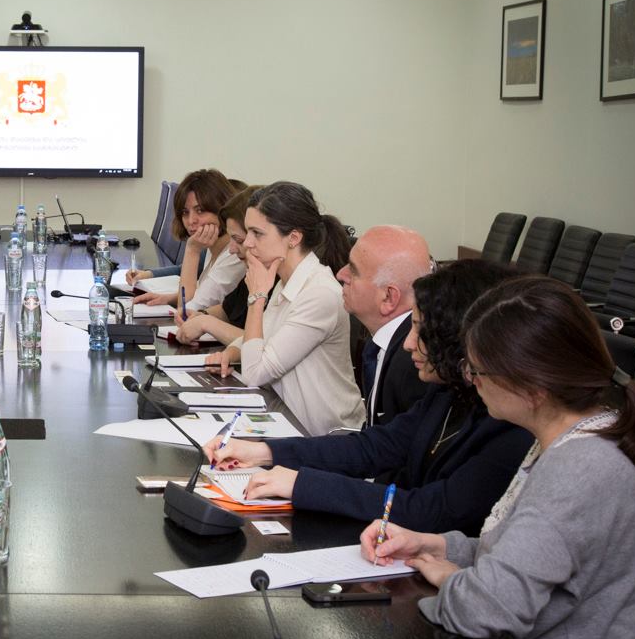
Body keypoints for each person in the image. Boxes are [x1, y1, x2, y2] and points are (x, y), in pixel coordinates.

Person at [363, 276, 635, 639]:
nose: (471, 381)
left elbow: (486, 610)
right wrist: (438, 546)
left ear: (532, 388)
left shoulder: (580, 468)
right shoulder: (572, 435)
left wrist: (456, 582)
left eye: (478, 371)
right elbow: (530, 554)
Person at [203, 260, 533, 534]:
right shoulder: (449, 393)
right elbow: (372, 447)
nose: (408, 343)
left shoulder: (511, 424)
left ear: (456, 336)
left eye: (420, 330)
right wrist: (264, 451)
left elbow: (433, 510)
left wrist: (303, 484)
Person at [205, 181, 364, 434]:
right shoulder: (284, 280)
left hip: (322, 436)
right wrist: (233, 351)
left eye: (257, 233)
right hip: (287, 418)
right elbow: (264, 339)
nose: (248, 243)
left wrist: (256, 297)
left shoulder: (319, 294)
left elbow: (255, 374)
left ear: (293, 238)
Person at [336, 225, 432, 427]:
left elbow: (394, 444)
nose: (341, 274)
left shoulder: (415, 363)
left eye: (353, 270)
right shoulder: (383, 344)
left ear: (388, 297)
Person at [131, 169, 242, 313]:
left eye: (200, 210)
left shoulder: (234, 255)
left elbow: (185, 312)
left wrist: (192, 250)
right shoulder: (212, 246)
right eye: (185, 212)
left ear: (222, 209)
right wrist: (167, 298)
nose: (191, 221)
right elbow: (199, 295)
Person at [170, 185, 263, 346]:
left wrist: (205, 322)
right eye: (185, 212)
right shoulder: (253, 271)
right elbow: (227, 309)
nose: (231, 249)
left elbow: (263, 344)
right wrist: (201, 315)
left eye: (239, 240)